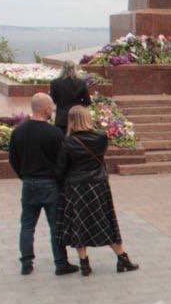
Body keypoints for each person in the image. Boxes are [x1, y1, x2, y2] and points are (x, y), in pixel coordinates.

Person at [56, 105, 139, 276]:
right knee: (106, 222)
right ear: (87, 118)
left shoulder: (68, 141)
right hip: (98, 185)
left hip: (76, 187)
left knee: (79, 223)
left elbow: (61, 168)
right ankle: (122, 258)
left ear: (71, 121)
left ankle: (84, 264)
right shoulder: (101, 137)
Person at [9, 93, 78, 276]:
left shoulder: (19, 131)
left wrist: (23, 175)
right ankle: (61, 263)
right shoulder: (54, 133)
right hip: (50, 184)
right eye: (51, 108)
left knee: (27, 225)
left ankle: (26, 263)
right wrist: (59, 179)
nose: (52, 111)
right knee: (55, 225)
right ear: (46, 109)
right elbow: (62, 161)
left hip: (28, 183)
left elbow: (13, 158)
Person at [48, 60, 92, 133]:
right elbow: (87, 102)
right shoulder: (81, 82)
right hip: (77, 119)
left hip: (61, 118)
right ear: (75, 69)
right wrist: (78, 104)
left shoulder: (55, 83)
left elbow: (53, 100)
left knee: (62, 138)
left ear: (62, 69)